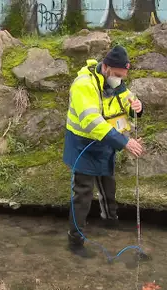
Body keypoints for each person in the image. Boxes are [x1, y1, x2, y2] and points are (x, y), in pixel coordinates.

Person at [62, 45, 145, 258]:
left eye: (123, 76)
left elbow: (127, 100)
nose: (120, 79)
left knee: (108, 185)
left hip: (105, 143)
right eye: (117, 75)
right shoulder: (84, 85)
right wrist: (123, 142)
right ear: (106, 67)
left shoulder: (115, 83)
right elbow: (91, 121)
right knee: (83, 193)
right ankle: (75, 240)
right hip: (83, 145)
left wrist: (137, 107)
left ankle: (110, 221)